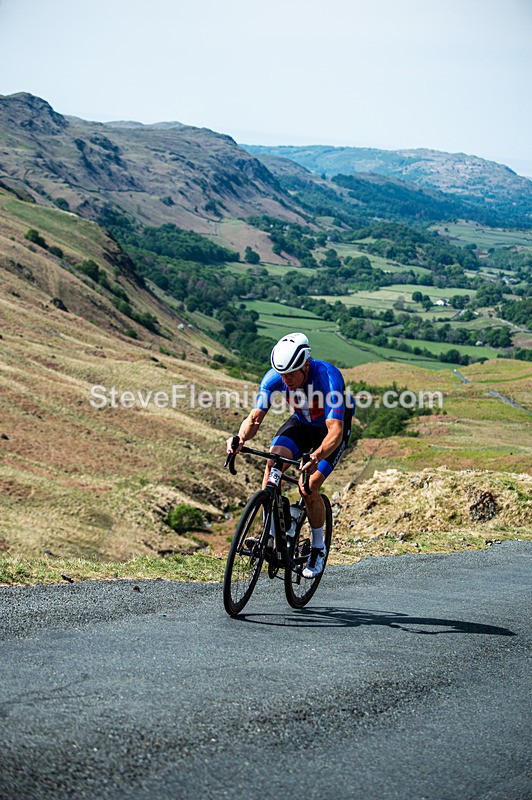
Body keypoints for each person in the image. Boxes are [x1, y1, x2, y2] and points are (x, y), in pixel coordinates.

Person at [226, 332, 353, 578]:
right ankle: (272, 534)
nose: (287, 380)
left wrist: (315, 456)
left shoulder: (329, 377)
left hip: (329, 431)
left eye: (292, 373)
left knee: (310, 486)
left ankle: (318, 548)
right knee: (272, 464)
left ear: (306, 364)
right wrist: (240, 438)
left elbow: (335, 432)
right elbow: (254, 419)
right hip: (302, 424)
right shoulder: (274, 378)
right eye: (282, 375)